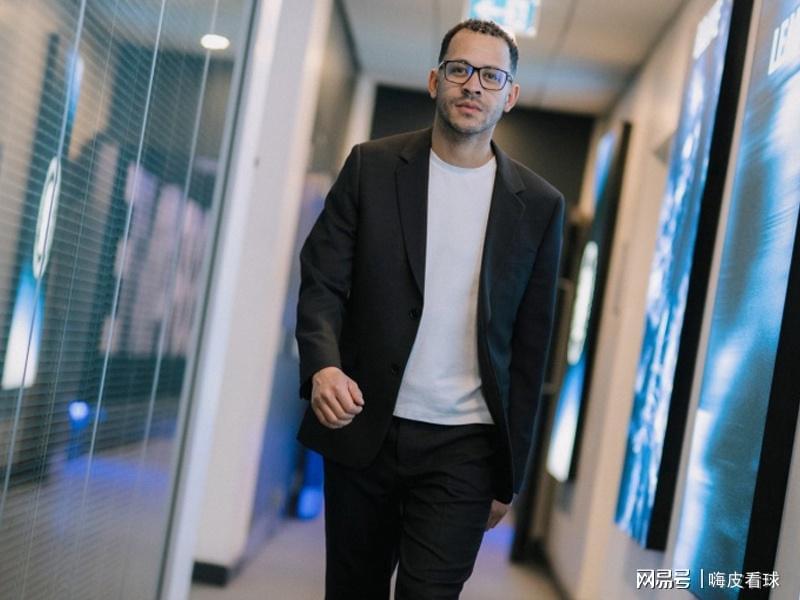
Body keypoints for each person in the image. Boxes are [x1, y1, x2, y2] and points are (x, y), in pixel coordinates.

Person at [295, 18, 564, 599]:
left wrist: (509, 477)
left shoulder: (539, 206)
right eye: (460, 69)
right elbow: (322, 281)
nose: (473, 85)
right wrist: (323, 365)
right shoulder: (371, 167)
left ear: (510, 95)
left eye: (491, 76)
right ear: (435, 80)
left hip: (465, 448)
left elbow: (530, 348)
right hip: (366, 424)